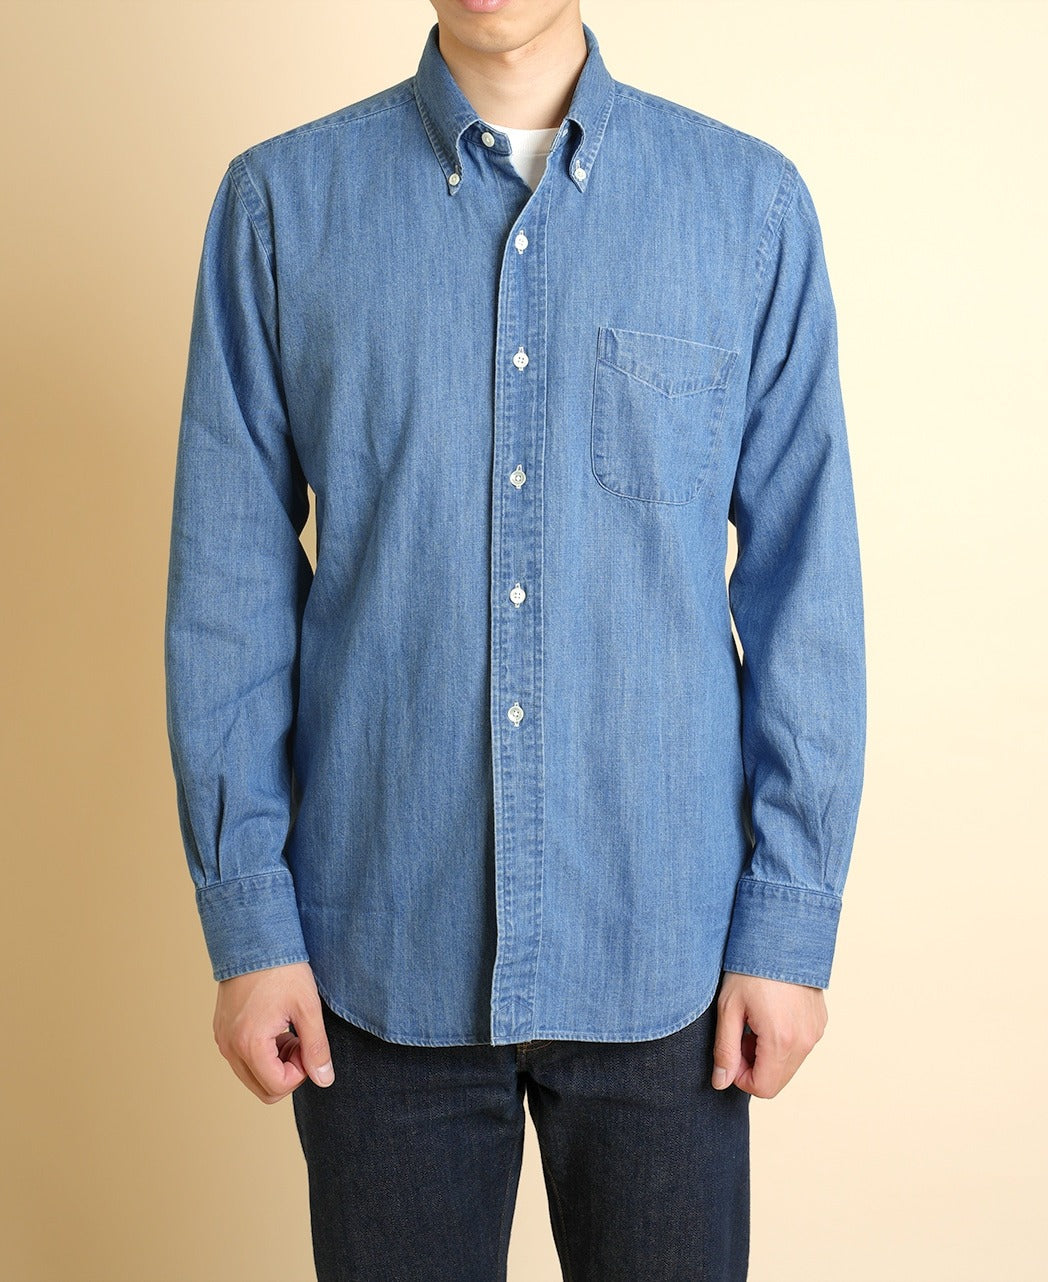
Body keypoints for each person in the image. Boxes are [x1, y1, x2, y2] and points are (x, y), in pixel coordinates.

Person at [163, 0, 866, 1278]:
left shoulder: (745, 208)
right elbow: (228, 589)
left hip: (665, 958)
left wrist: (787, 923)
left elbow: (803, 586)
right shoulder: (280, 208)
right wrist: (250, 921)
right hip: (376, 960)